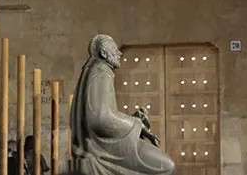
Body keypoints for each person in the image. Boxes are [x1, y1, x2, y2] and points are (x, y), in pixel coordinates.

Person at [70, 34, 174, 175]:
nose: (119, 53)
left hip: (105, 142)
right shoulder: (100, 73)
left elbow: (102, 113)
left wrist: (132, 119)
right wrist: (137, 124)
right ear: (104, 53)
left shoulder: (97, 71)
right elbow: (99, 119)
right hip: (102, 148)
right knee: (165, 166)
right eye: (115, 50)